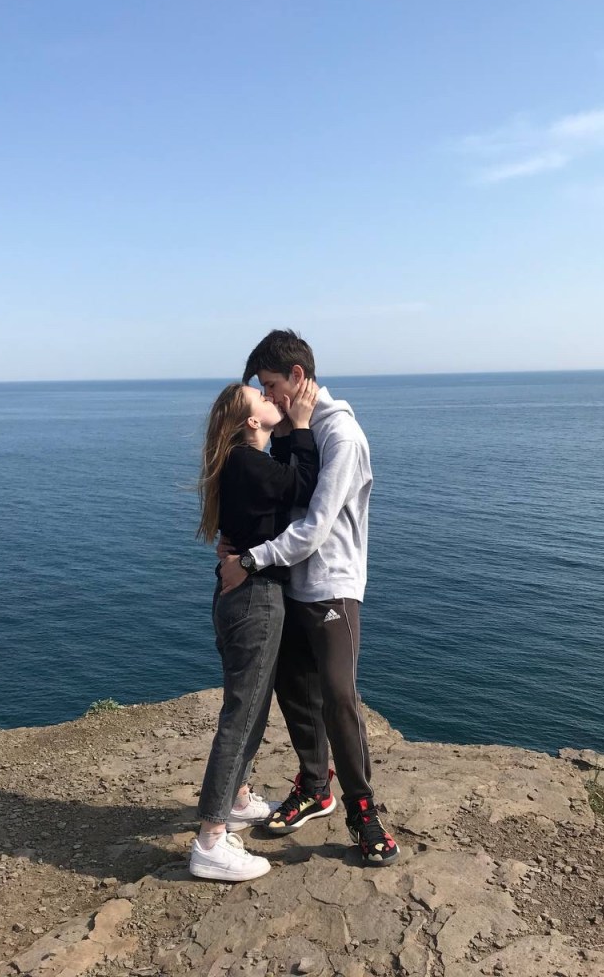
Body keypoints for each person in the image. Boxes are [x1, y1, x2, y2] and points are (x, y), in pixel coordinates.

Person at [220, 330, 399, 866]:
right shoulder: (291, 430)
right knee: (294, 690)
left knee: (339, 695)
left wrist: (251, 560)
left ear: (297, 376)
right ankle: (315, 786)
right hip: (288, 583)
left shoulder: (341, 434)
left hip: (330, 586)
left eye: (271, 384)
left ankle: (363, 812)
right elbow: (275, 497)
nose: (267, 396)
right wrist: (238, 541)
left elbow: (316, 526)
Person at [190, 378, 320, 882]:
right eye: (260, 398)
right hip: (254, 599)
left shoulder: (244, 462)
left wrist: (287, 432)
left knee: (250, 707)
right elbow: (302, 485)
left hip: (243, 597)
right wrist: (302, 425)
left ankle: (238, 799)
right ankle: (210, 839)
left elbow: (281, 482)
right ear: (250, 421)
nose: (269, 398)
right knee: (242, 715)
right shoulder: (246, 461)